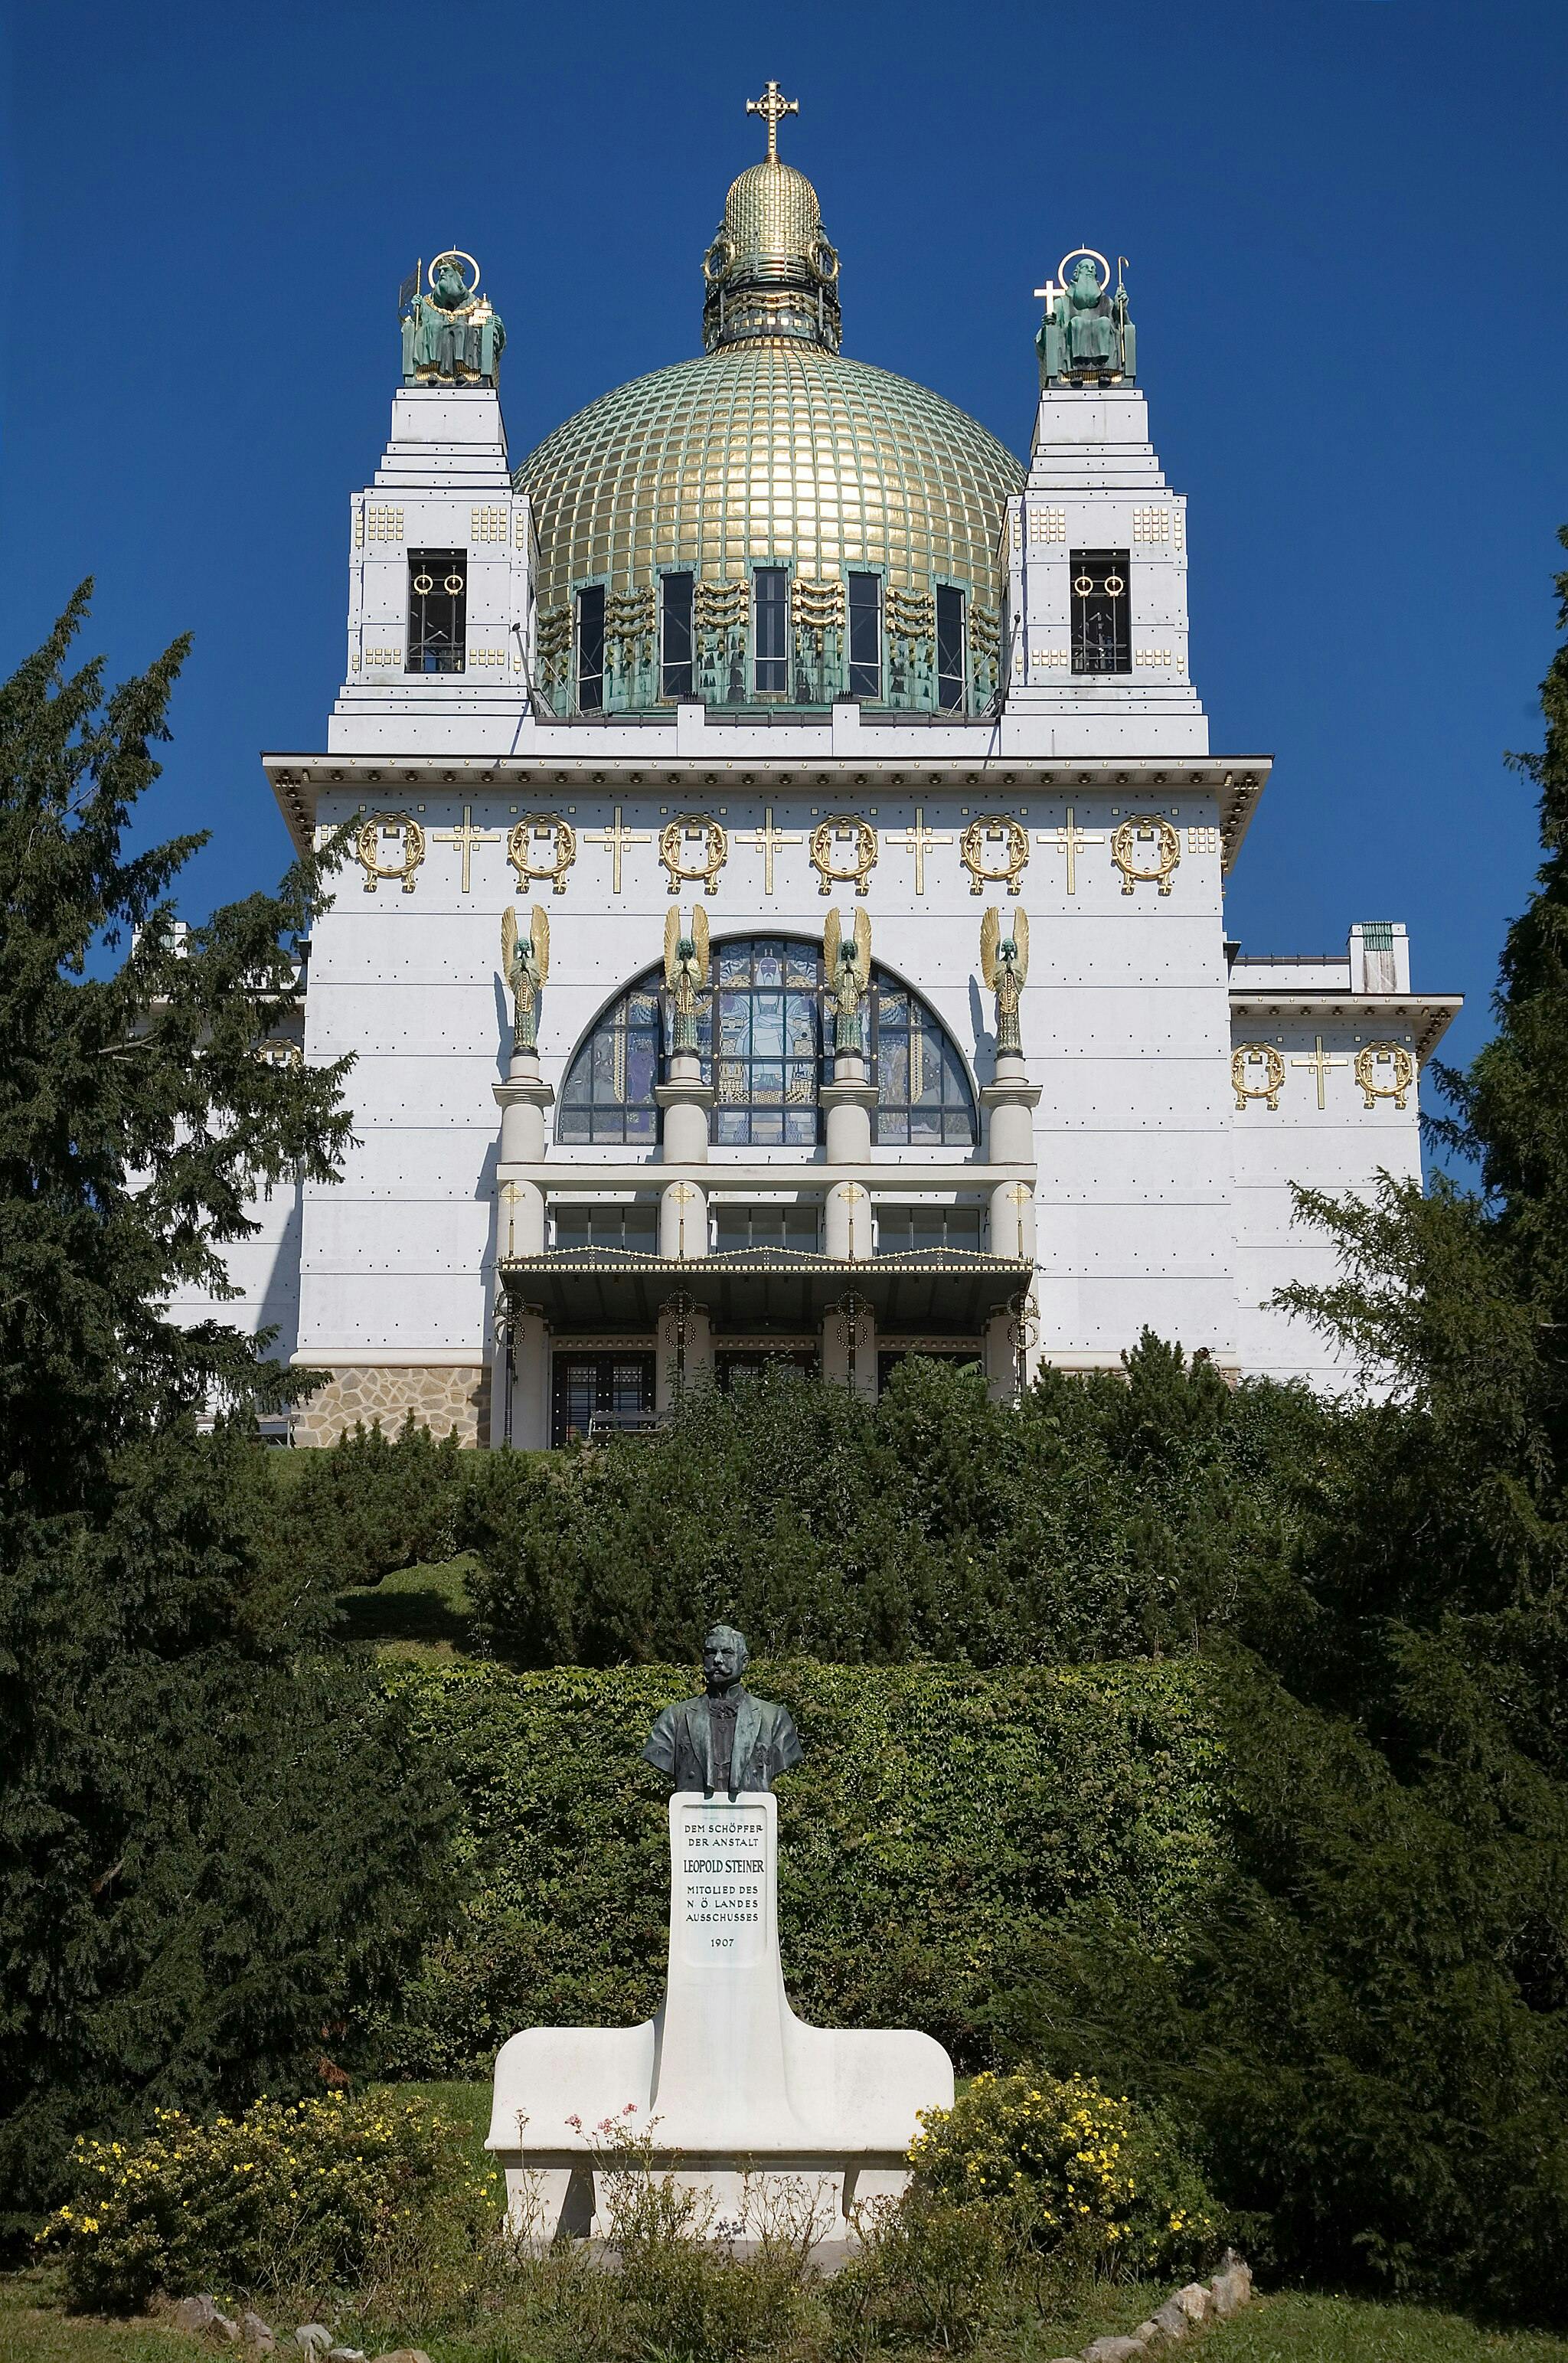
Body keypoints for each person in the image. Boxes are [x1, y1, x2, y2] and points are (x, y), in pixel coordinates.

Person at [642, 1625, 802, 1799]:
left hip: (751, 1814)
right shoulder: (673, 1718)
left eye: (727, 1653)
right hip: (692, 1813)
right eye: (711, 1653)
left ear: (744, 1662)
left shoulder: (775, 1719)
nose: (717, 1660)